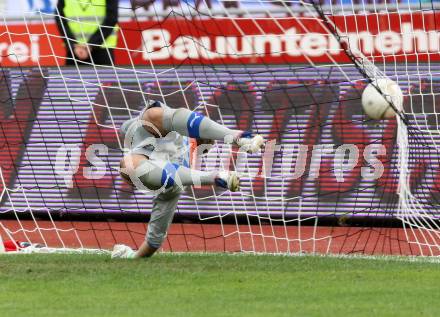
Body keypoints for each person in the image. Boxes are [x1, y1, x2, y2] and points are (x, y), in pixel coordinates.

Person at [111, 100, 264, 259]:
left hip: (161, 159)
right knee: (151, 122)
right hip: (166, 161)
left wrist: (132, 256)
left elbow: (154, 241)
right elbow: (153, 241)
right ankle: (235, 143)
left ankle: (223, 161)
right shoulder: (175, 163)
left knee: (130, 160)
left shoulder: (156, 134)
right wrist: (129, 256)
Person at [55, 0, 119, 66]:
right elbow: (59, 18)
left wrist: (91, 44)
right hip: (75, 50)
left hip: (102, 50)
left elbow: (111, 18)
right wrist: (72, 44)